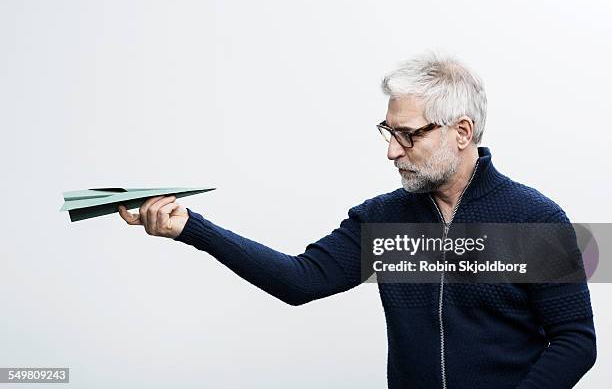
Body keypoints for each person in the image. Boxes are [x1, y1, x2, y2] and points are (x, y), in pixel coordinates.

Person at [118, 51, 596, 389]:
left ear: (462, 132)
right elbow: (298, 280)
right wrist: (191, 228)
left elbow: (575, 341)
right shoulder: (382, 219)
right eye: (387, 133)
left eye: (407, 136)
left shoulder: (535, 219)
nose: (392, 151)